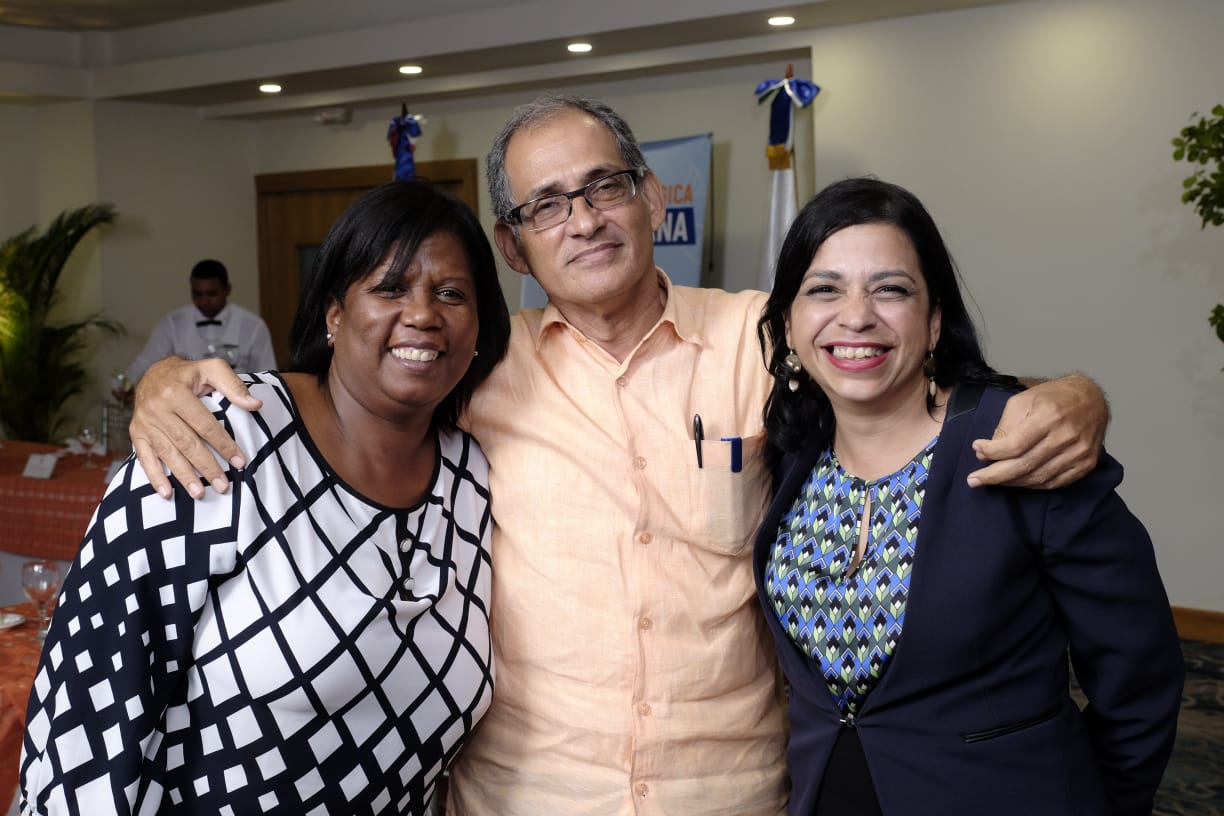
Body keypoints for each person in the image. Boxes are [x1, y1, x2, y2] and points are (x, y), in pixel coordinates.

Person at [124, 95, 1110, 815]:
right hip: (524, 797)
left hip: (730, 794)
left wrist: (1072, 395)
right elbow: (347, 397)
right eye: (546, 205)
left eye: (602, 187)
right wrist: (171, 378)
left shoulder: (765, 340)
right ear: (514, 248)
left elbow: (914, 384)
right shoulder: (475, 368)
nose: (583, 219)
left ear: (647, 195)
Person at [20, 180, 512, 815]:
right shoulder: (219, 433)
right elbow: (84, 713)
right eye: (390, 287)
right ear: (334, 313)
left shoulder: (473, 479)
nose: (423, 313)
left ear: (479, 326)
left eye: (451, 293)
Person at [754, 177, 1183, 816]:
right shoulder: (792, 450)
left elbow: (1140, 680)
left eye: (890, 289)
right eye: (824, 289)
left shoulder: (1022, 446)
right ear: (789, 326)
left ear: (932, 324)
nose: (856, 316)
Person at [116, 258, 279, 401]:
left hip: (240, 409)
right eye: (197, 294)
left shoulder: (253, 326)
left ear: (227, 290)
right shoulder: (173, 323)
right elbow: (146, 362)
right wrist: (126, 384)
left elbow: (268, 377)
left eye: (211, 294)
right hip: (185, 409)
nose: (204, 301)